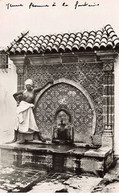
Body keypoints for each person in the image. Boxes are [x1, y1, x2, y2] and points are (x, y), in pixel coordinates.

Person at [11, 78, 54, 144]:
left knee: (32, 122)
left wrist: (48, 83)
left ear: (31, 85)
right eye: (27, 85)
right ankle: (15, 138)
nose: (28, 86)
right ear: (25, 85)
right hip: (22, 107)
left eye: (29, 85)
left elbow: (41, 88)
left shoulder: (33, 91)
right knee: (18, 122)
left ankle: (40, 137)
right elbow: (14, 95)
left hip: (29, 108)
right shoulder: (23, 91)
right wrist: (18, 102)